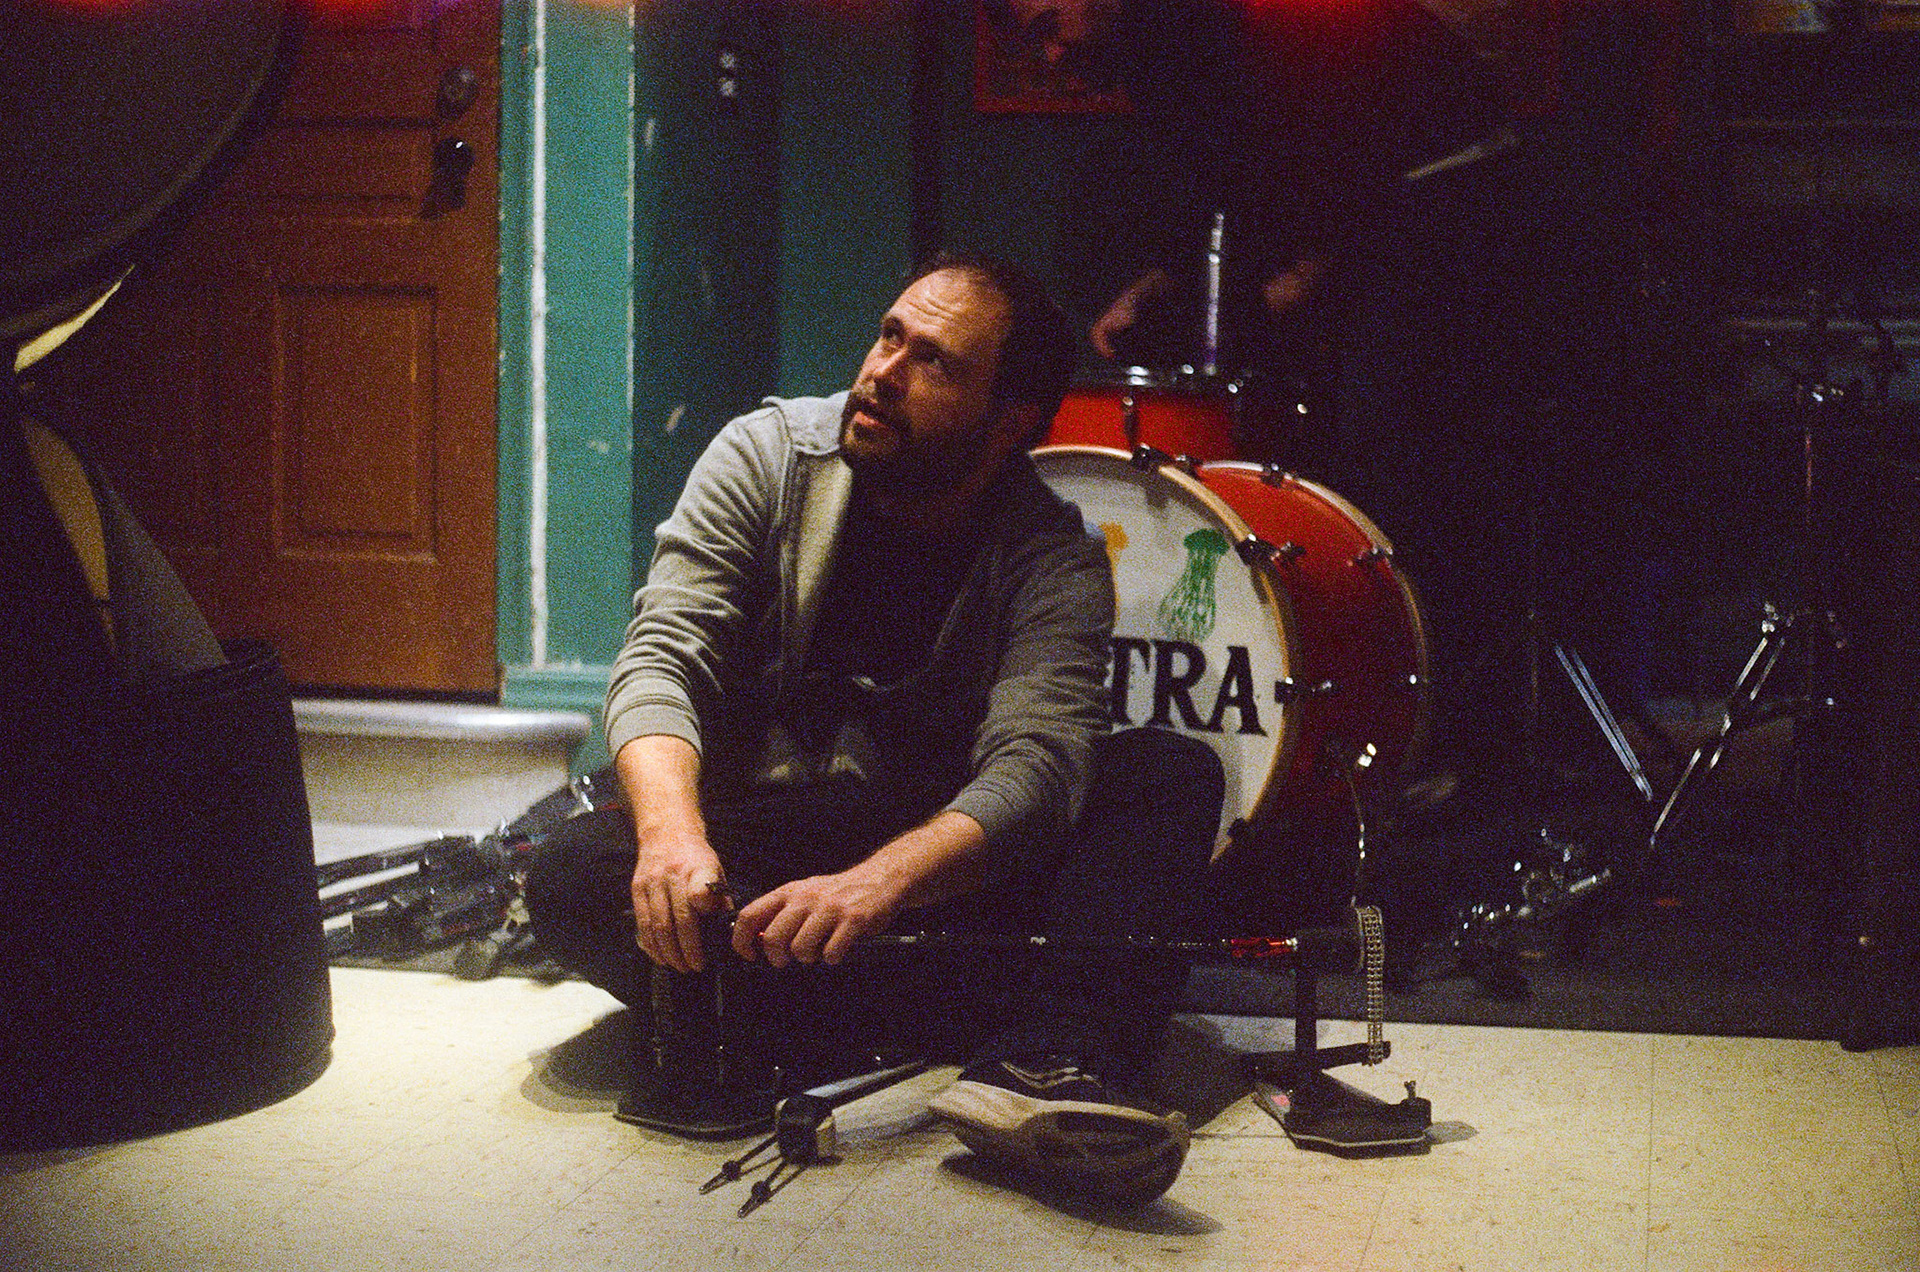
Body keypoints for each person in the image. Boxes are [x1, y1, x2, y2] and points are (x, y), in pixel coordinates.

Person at [526, 250, 1224, 1208]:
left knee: (1167, 776)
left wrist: (880, 885)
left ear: (1009, 419)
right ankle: (975, 1022)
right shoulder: (767, 457)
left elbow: (1036, 767)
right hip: (765, 846)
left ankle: (1034, 1065)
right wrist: (672, 837)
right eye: (890, 336)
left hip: (932, 865)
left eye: (934, 361)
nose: (883, 372)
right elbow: (661, 659)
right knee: (572, 874)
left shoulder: (1054, 556)